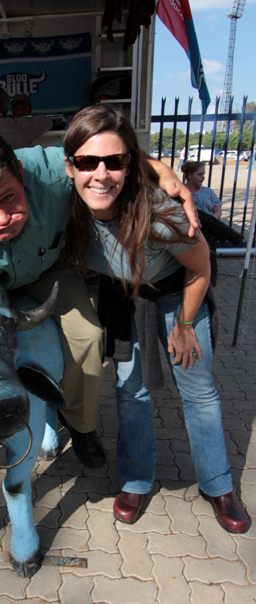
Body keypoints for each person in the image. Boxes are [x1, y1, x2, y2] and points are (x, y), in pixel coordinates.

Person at [0, 128, 198, 470]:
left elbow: (110, 157)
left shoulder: (52, 169)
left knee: (88, 337)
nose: (2, 218)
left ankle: (81, 426)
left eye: (9, 198)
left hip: (49, 272)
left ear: (21, 174)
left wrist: (159, 170)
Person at [63, 104, 250, 533]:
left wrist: (184, 325)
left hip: (177, 295)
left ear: (129, 165)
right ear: (70, 165)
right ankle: (135, 479)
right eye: (88, 162)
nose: (100, 174)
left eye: (115, 161)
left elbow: (200, 267)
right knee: (131, 391)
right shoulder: (67, 199)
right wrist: (159, 165)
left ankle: (218, 485)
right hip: (124, 297)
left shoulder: (159, 214)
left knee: (198, 391)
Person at [181, 160, 244, 285]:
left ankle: (210, 281)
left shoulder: (208, 191)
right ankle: (230, 235)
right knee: (197, 212)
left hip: (208, 231)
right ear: (189, 175)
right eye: (200, 174)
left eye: (204, 174)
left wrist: (212, 221)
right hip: (191, 229)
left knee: (207, 226)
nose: (203, 177)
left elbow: (217, 209)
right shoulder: (182, 192)